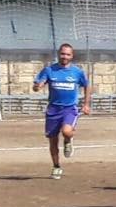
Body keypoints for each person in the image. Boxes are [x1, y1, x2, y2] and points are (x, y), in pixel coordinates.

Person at [33, 43, 91, 180]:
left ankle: (68, 139)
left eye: (68, 54)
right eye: (63, 54)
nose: (65, 56)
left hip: (69, 108)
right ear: (59, 54)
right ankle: (56, 166)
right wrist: (37, 86)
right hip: (53, 109)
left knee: (66, 131)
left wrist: (86, 104)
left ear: (72, 56)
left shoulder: (77, 72)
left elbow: (87, 86)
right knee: (53, 142)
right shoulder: (49, 70)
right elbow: (37, 85)